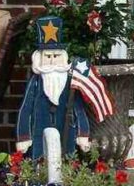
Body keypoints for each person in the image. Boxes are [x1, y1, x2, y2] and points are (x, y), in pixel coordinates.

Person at [16, 16, 91, 159]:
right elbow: (25, 108)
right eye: (48, 56)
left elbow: (79, 109)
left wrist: (83, 134)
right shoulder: (36, 81)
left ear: (63, 57)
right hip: (39, 131)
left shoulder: (71, 81)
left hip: (67, 130)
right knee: (39, 160)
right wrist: (23, 136)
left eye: (56, 56)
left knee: (68, 160)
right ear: (39, 58)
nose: (51, 60)